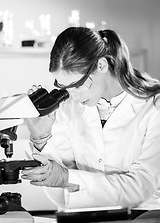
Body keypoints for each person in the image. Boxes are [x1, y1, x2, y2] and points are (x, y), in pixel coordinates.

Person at [21, 27, 160, 210]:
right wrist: (42, 138)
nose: (73, 96)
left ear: (101, 66)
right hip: (85, 218)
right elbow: (62, 195)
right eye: (63, 88)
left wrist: (66, 178)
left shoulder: (154, 106)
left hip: (143, 219)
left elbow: (141, 189)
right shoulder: (70, 107)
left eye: (77, 85)